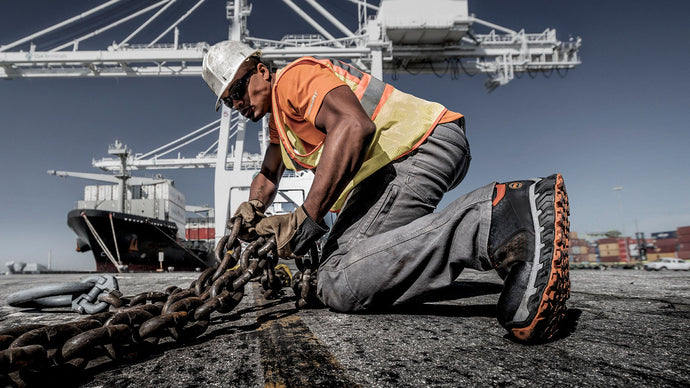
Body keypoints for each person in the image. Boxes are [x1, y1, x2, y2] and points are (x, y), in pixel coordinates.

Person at [201, 40, 570, 343]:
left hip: (415, 148)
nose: (236, 104)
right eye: (229, 100)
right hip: (395, 165)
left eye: (237, 89)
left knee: (339, 281)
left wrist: (306, 217)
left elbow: (352, 124)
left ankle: (496, 222)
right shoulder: (279, 126)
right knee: (334, 267)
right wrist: (250, 208)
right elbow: (268, 174)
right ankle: (504, 236)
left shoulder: (293, 79)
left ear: (260, 69)